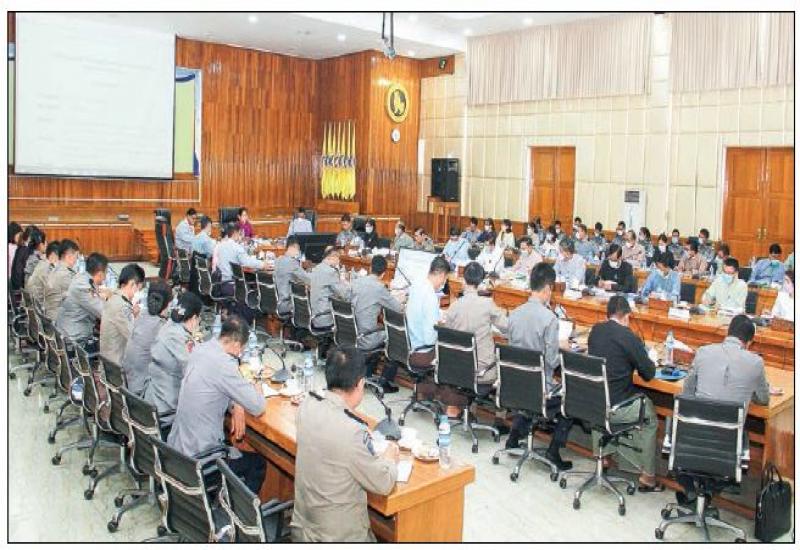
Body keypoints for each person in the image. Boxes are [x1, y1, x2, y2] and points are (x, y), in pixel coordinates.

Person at [291, 347, 399, 542]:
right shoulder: (352, 432)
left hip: (302, 531)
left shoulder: (307, 405)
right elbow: (383, 483)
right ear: (360, 383)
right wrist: (390, 459)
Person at [167, 315, 267, 493]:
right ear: (236, 345)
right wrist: (258, 382)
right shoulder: (224, 365)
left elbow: (216, 386)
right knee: (258, 463)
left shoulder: (201, 349)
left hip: (177, 449)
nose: (240, 354)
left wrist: (237, 404)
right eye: (242, 350)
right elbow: (258, 406)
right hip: (200, 460)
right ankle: (237, 511)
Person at [678, 314, 770, 505]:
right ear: (749, 342)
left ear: (728, 333)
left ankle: (693, 488)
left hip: (694, 437)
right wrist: (749, 389)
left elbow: (687, 391)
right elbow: (763, 399)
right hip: (727, 444)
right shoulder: (756, 362)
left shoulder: (703, 352)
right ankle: (714, 488)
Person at [588, 295, 661, 491]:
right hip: (617, 408)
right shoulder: (628, 337)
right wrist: (647, 357)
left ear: (608, 314)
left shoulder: (595, 330)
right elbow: (648, 374)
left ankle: (603, 457)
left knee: (603, 395)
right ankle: (648, 476)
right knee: (650, 415)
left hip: (594, 402)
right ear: (627, 316)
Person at [505, 263, 574, 470]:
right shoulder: (549, 319)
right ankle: (553, 451)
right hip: (541, 390)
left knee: (528, 381)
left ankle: (513, 438)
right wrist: (562, 347)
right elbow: (552, 362)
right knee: (572, 397)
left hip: (516, 385)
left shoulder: (514, 313)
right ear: (547, 289)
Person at [443, 262, 508, 387]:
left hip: (459, 369)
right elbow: (507, 327)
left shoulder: (454, 306)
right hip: (483, 372)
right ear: (481, 282)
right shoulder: (487, 304)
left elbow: (448, 335)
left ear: (463, 280)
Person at [144, 292, 203, 424]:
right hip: (166, 409)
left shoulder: (169, 325)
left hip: (153, 397)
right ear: (194, 318)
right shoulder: (178, 337)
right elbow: (192, 372)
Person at [350, 255, 402, 392]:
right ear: (384, 273)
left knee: (378, 327)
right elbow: (398, 309)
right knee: (394, 335)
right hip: (366, 337)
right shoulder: (379, 288)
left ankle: (368, 371)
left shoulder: (356, 282)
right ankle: (385, 381)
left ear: (370, 267)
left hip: (351, 334)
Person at [121, 279, 171, 396]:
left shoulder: (140, 315)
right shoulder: (162, 327)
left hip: (126, 383)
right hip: (141, 390)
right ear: (168, 304)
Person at [214, 223, 267, 320]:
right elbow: (247, 262)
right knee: (256, 289)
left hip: (221, 283)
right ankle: (242, 319)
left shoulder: (221, 245)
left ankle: (232, 314)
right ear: (235, 233)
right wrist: (263, 264)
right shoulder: (236, 247)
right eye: (240, 233)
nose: (241, 236)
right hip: (232, 286)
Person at [406, 256, 450, 368]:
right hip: (422, 354)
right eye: (445, 279)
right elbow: (429, 340)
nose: (444, 283)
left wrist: (437, 314)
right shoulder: (430, 296)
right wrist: (442, 326)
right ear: (442, 275)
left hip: (408, 346)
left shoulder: (416, 285)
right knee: (452, 350)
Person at [56, 252, 110, 342]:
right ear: (100, 274)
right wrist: (110, 299)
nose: (106, 276)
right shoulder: (83, 287)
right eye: (106, 272)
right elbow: (104, 313)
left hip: (69, 332)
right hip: (74, 340)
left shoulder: (82, 278)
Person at [99, 264, 144, 366]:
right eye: (138, 289)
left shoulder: (114, 297)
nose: (138, 293)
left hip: (107, 360)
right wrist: (136, 317)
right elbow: (134, 338)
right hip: (115, 366)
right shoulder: (122, 307)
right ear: (132, 284)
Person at [309, 247, 351, 331]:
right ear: (332, 257)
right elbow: (344, 294)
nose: (339, 261)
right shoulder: (330, 272)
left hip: (315, 316)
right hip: (325, 318)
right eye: (338, 258)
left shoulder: (317, 268)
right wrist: (351, 286)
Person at [43, 239, 80, 321]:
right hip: (59, 320)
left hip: (51, 316)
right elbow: (82, 295)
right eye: (76, 257)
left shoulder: (56, 269)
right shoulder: (64, 274)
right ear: (69, 256)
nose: (76, 260)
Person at [274, 236, 311, 315]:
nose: (298, 252)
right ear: (295, 246)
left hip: (277, 302)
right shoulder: (292, 262)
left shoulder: (278, 260)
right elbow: (309, 280)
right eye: (299, 249)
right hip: (288, 304)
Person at [26, 240, 60, 306]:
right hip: (40, 308)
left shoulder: (41, 263)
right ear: (53, 255)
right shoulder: (48, 268)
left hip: (33, 305)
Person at [10, 226, 41, 291]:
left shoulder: (21, 248)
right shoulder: (26, 251)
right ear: (30, 237)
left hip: (17, 288)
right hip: (21, 290)